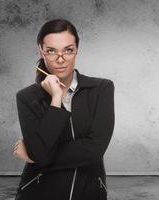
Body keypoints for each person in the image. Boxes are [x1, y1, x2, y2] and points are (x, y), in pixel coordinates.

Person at [12, 19, 114, 200]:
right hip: (39, 191)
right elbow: (43, 152)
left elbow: (95, 149)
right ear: (41, 51)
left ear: (77, 50)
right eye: (51, 51)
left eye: (68, 50)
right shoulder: (26, 97)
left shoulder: (101, 88)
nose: (61, 59)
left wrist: (35, 155)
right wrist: (56, 99)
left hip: (88, 190)